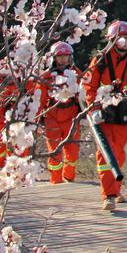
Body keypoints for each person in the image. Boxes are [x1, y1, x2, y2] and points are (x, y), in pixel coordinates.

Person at [82, 20, 127, 210]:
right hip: (104, 110)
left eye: (126, 37)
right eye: (119, 37)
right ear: (111, 40)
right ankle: (108, 195)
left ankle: (115, 188)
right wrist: (95, 109)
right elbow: (89, 87)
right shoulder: (100, 60)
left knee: (120, 154)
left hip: (124, 110)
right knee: (106, 152)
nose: (123, 41)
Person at [39, 41, 82, 184]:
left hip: (72, 117)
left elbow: (84, 95)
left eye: (66, 56)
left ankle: (69, 177)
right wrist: (36, 119)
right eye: (59, 56)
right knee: (55, 149)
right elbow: (40, 99)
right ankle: (56, 180)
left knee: (73, 150)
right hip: (52, 116)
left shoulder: (77, 74)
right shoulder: (46, 77)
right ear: (54, 58)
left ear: (70, 57)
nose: (63, 59)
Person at [0, 60, 34, 169]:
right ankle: (1, 165)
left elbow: (33, 94)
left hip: (17, 120)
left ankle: (19, 167)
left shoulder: (22, 83)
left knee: (19, 144)